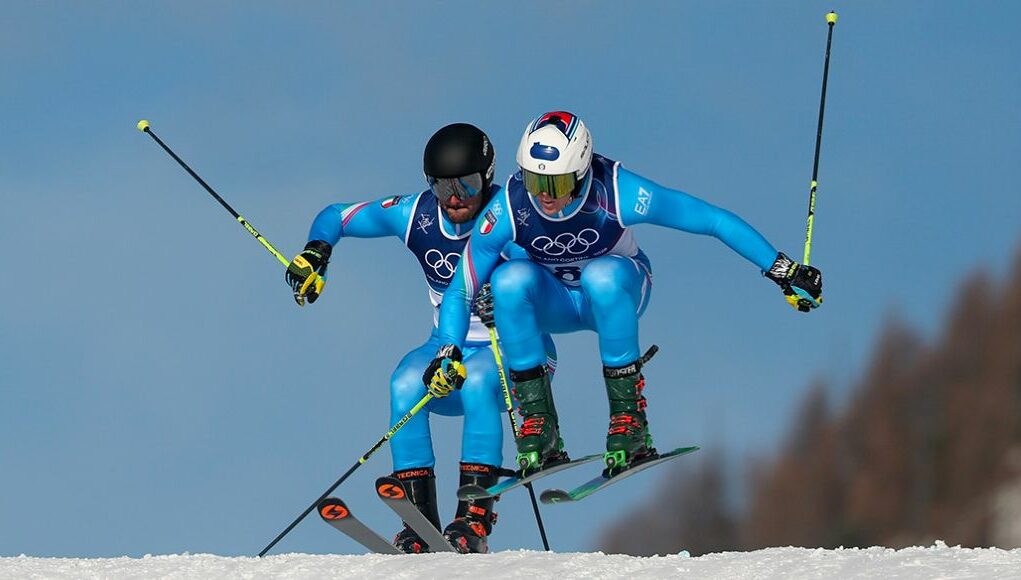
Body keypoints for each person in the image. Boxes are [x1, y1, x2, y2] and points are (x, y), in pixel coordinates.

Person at [430, 111, 824, 475]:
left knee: (601, 275)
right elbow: (462, 287)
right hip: (559, 303)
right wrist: (448, 348)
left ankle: (629, 421)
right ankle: (539, 424)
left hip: (620, 292)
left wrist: (781, 268)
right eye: (535, 181)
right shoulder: (511, 206)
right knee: (508, 280)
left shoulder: (617, 191)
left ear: (582, 173)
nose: (544, 196)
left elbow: (710, 219)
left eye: (556, 183)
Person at [284, 123, 556, 553]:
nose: (454, 197)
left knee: (482, 383)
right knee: (405, 383)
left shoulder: (516, 213)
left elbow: (556, 284)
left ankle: (474, 519)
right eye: (443, 185)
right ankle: (420, 524)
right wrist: (318, 252)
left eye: (466, 184)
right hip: (446, 349)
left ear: (487, 176)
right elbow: (336, 215)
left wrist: (514, 301)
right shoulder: (418, 214)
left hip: (518, 356)